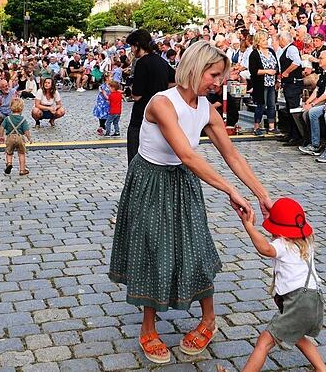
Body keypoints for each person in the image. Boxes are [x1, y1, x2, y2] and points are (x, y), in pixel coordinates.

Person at [109, 41, 272, 365]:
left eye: (221, 76)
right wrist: (229, 190)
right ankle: (148, 327)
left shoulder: (206, 109)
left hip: (183, 182)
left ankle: (209, 319)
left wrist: (261, 194)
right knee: (152, 250)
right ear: (195, 68)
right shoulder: (161, 103)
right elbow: (186, 153)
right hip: (150, 181)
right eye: (214, 75)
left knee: (195, 249)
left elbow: (233, 155)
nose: (218, 83)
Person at [234, 198, 326, 372]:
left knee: (264, 342)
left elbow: (266, 249)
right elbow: (286, 225)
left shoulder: (283, 244)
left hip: (298, 303)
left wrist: (249, 227)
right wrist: (274, 216)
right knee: (298, 336)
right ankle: (322, 369)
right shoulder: (306, 242)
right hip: (315, 300)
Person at [125, 29, 174, 163]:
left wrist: (131, 89)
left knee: (135, 156)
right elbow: (175, 80)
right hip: (160, 114)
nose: (132, 50)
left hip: (141, 114)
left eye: (132, 46)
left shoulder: (141, 63)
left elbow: (137, 96)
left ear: (137, 45)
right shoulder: (161, 61)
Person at [249, 31, 279, 137]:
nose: (266, 42)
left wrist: (276, 76)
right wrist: (267, 71)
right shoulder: (254, 54)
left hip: (271, 82)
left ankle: (271, 126)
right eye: (263, 40)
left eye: (266, 39)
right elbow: (253, 70)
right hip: (261, 84)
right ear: (258, 42)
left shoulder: (271, 51)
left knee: (271, 105)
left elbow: (276, 65)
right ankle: (257, 126)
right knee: (261, 105)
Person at [0, 97, 31, 176]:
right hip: (20, 137)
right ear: (21, 108)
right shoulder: (23, 119)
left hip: (10, 137)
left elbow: (2, 127)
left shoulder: (7, 118)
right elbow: (26, 130)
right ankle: (22, 170)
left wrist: (1, 136)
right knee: (21, 153)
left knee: (9, 152)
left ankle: (9, 163)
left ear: (10, 107)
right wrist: (29, 138)